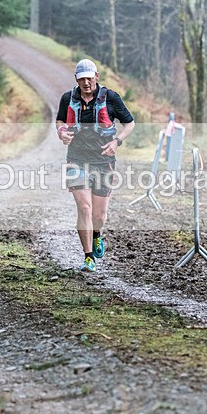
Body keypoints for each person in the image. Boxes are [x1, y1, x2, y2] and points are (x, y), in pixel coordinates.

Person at [56, 58, 135, 272]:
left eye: (89, 79)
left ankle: (97, 234)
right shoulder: (68, 98)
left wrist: (117, 141)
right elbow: (60, 121)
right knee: (84, 208)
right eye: (82, 79)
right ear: (76, 80)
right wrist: (61, 132)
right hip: (77, 159)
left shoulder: (111, 98)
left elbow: (130, 123)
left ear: (96, 77)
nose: (86, 83)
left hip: (103, 161)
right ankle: (88, 256)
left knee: (98, 216)